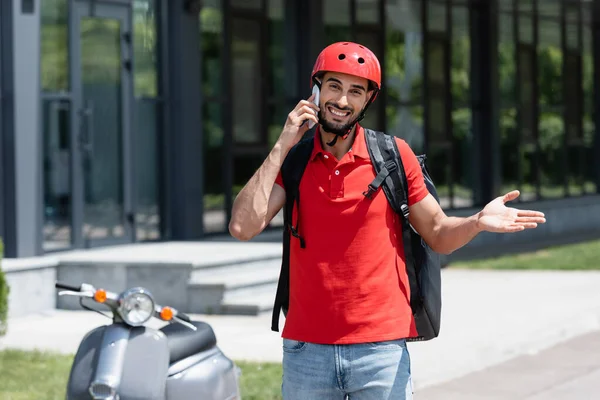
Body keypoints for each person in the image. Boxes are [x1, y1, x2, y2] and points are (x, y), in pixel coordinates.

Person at [228, 42, 546, 400]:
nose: (342, 101)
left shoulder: (393, 155)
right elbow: (243, 227)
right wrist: (282, 144)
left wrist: (476, 221)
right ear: (316, 89)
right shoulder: (296, 160)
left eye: (355, 91)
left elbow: (438, 233)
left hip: (380, 350)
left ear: (367, 101)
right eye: (334, 86)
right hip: (307, 350)